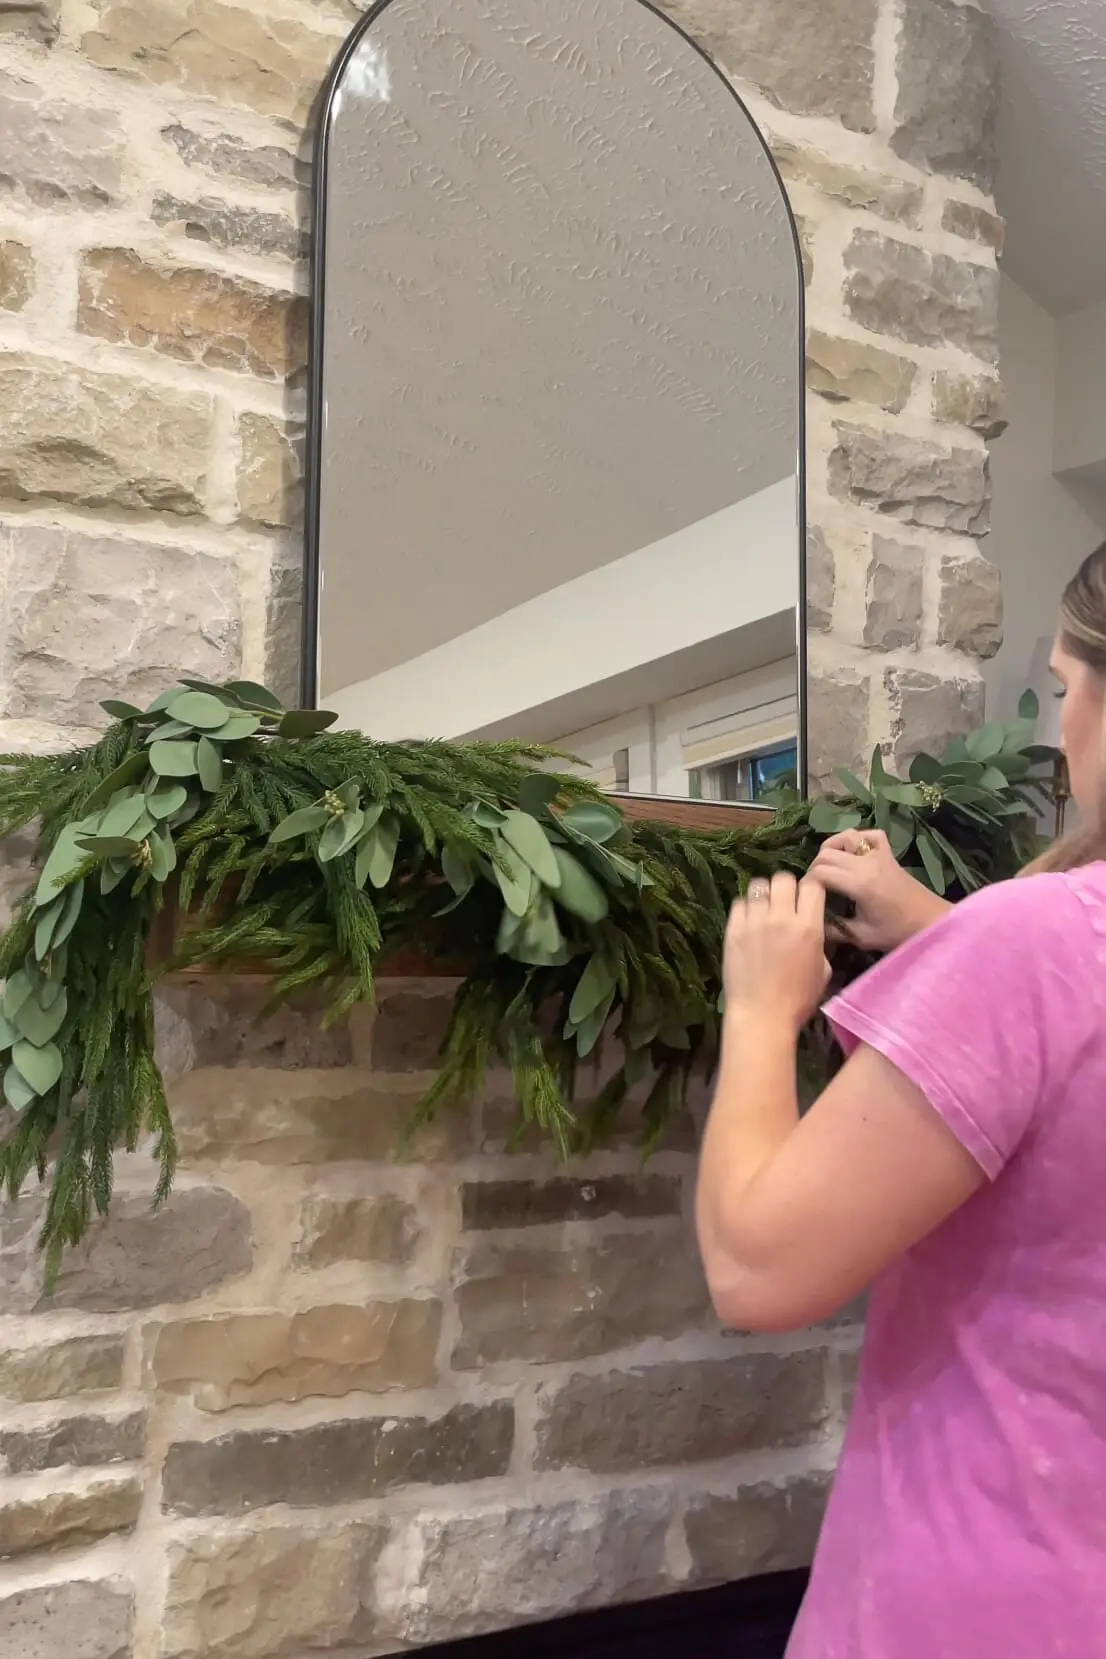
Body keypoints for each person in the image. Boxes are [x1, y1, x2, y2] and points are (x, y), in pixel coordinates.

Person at [695, 540, 1106, 1658]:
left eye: (1063, 692)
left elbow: (758, 1268)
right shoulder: (1035, 950)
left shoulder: (1032, 946)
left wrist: (758, 1011)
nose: (1055, 726)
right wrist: (938, 926)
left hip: (989, 1602)